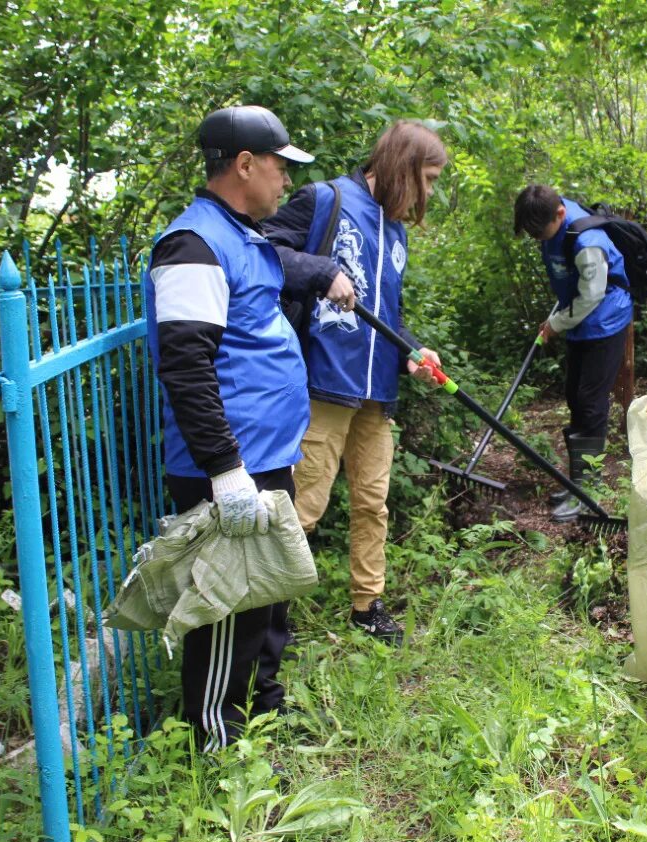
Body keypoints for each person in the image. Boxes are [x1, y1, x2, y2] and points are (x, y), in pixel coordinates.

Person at [144, 105, 355, 751]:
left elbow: (280, 279)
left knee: (266, 598)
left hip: (267, 455)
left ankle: (261, 712)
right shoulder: (193, 244)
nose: (286, 181)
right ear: (243, 165)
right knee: (228, 608)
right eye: (278, 167)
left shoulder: (242, 235)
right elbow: (185, 364)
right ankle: (216, 742)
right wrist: (224, 468)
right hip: (228, 466)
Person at [265, 120, 447, 645]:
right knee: (304, 507)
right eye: (428, 179)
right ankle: (268, 615)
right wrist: (321, 271)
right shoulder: (325, 200)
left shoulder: (398, 231)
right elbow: (264, 253)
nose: (429, 192)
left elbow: (388, 314)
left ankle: (368, 606)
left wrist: (411, 353)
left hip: (377, 397)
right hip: (323, 384)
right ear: (402, 168)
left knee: (373, 502)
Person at [513, 185, 633, 522]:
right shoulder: (549, 213)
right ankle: (577, 482)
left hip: (605, 319)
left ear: (561, 214)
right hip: (580, 319)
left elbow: (592, 294)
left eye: (541, 232)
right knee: (575, 396)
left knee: (591, 400)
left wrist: (556, 323)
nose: (538, 239)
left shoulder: (587, 243)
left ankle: (588, 491)